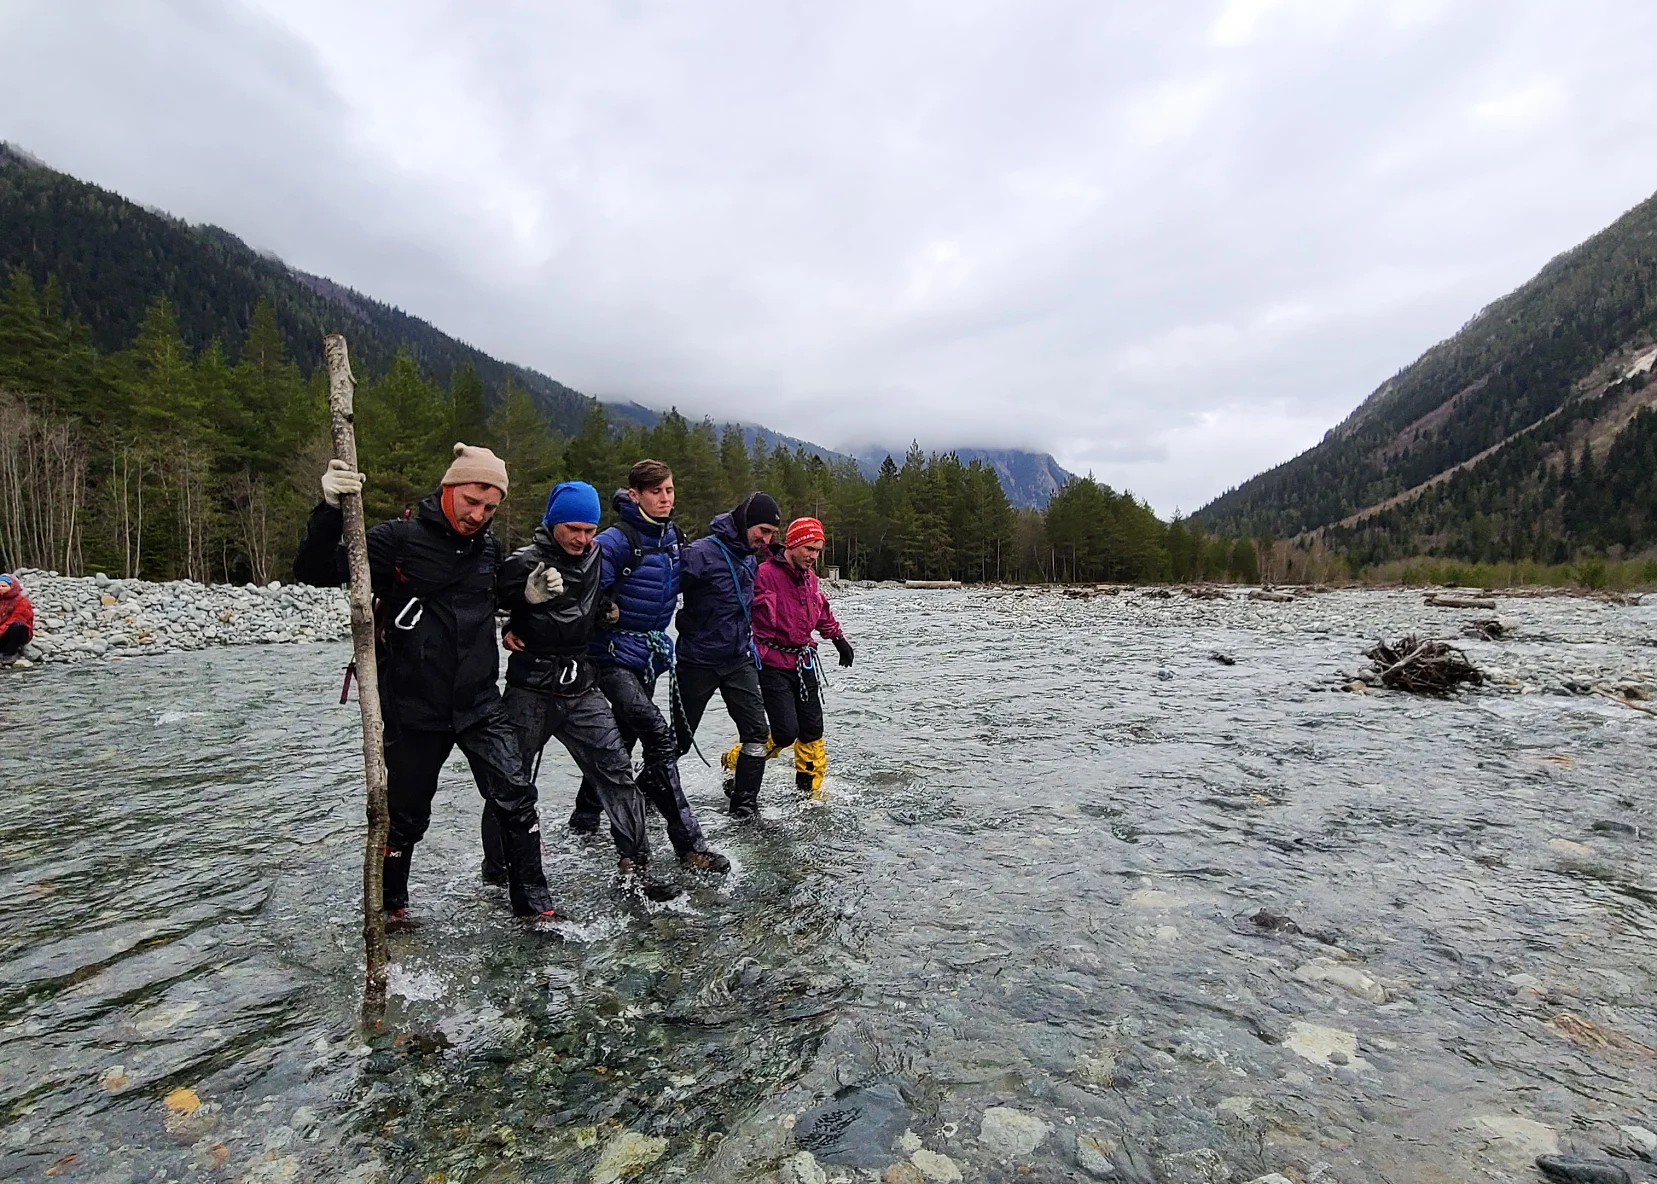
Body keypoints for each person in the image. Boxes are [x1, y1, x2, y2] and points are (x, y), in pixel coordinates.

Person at [292, 443, 561, 922]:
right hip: (413, 706)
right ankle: (391, 908)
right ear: (449, 488)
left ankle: (535, 909)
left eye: (490, 508)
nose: (478, 515)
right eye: (471, 502)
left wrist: (526, 598)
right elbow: (313, 572)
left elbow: (491, 597)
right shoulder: (396, 539)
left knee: (516, 798)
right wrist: (330, 510)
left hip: (479, 702)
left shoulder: (488, 550)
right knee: (405, 818)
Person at [491, 479, 680, 902]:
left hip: (581, 685)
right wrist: (517, 608)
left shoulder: (595, 555)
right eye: (573, 529)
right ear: (554, 523)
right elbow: (495, 592)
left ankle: (636, 867)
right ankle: (498, 869)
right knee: (510, 781)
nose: (582, 538)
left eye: (589, 529)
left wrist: (607, 612)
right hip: (532, 687)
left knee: (616, 771)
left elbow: (594, 597)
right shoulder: (527, 560)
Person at [568, 460, 730, 873]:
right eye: (656, 491)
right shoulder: (617, 539)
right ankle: (689, 846)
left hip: (649, 655)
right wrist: (606, 611)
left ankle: (585, 818)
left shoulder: (673, 536)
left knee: (621, 740)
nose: (665, 498)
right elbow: (585, 587)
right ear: (635, 494)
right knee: (657, 736)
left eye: (670, 491)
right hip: (611, 656)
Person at [725, 517, 853, 800]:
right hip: (769, 662)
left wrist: (838, 639)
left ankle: (809, 790)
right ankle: (736, 760)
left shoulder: (811, 579)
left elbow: (820, 611)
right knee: (784, 732)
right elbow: (740, 610)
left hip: (803, 661)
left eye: (818, 550)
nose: (813, 556)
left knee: (812, 727)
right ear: (793, 545)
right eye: (809, 549)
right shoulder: (763, 574)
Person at [674, 491, 781, 819]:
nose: (765, 539)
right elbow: (661, 590)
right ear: (746, 521)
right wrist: (678, 616)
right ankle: (649, 786)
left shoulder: (750, 556)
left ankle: (745, 806)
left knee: (757, 733)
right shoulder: (699, 554)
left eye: (772, 535)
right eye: (762, 530)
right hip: (697, 661)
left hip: (738, 658)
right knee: (679, 739)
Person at [0, 574, 34, 661]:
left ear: (11, 587)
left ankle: (10, 654)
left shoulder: (22, 601)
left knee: (17, 626)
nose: (0, 588)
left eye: (3, 586)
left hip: (13, 632)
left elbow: (15, 619)